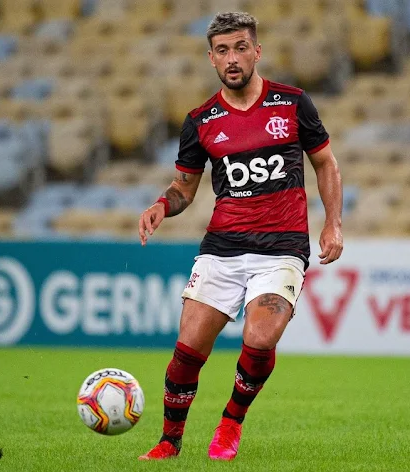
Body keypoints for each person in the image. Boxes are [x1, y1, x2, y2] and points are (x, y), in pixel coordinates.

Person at [137, 11, 343, 461]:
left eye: (240, 48)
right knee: (189, 346)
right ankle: (170, 441)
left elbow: (325, 162)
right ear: (211, 58)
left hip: (282, 248)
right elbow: (184, 189)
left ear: (256, 51)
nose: (232, 58)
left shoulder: (292, 103)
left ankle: (231, 422)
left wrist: (332, 222)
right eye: (222, 50)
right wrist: (161, 206)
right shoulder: (200, 121)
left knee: (261, 337)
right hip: (223, 248)